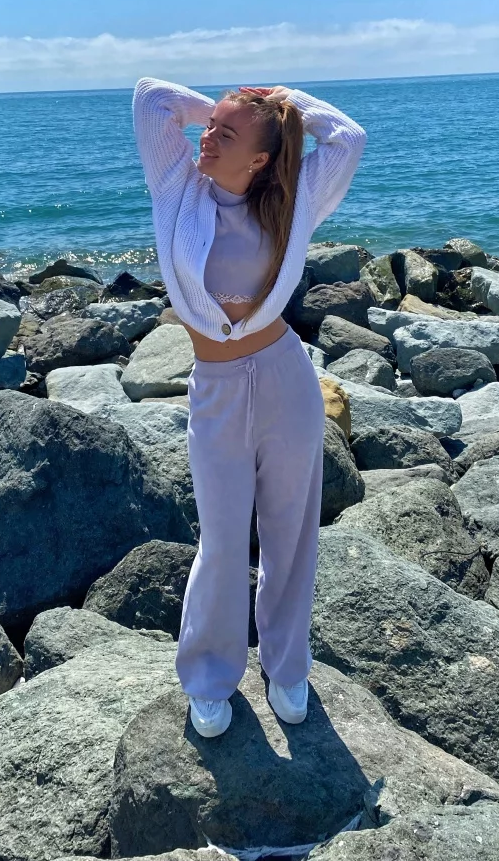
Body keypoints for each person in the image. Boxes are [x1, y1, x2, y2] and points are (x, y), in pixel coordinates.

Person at [131, 75, 366, 738]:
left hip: (286, 380)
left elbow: (348, 138)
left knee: (291, 533)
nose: (206, 137)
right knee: (223, 539)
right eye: (208, 128)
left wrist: (287, 105)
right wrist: (230, 109)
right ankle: (210, 675)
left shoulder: (293, 200)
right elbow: (152, 97)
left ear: (261, 158)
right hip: (217, 387)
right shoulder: (177, 186)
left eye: (225, 135)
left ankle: (286, 665)